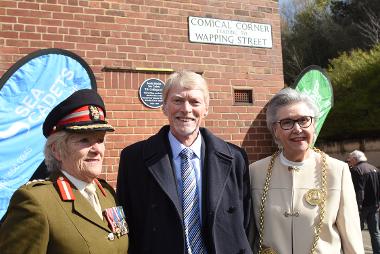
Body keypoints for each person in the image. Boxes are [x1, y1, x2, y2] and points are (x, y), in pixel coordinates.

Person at [117, 70, 252, 254]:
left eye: (195, 102)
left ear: (206, 109)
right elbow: (128, 225)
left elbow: (245, 222)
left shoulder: (235, 158)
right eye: (178, 100)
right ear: (164, 106)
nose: (186, 109)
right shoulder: (133, 159)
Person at [0, 89, 129, 253]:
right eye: (84, 140)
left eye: (100, 140)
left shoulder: (107, 194)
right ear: (57, 150)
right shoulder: (36, 202)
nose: (97, 149)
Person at [249, 87, 364, 254]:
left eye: (304, 120)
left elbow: (351, 236)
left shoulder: (337, 171)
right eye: (287, 122)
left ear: (314, 124)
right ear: (275, 130)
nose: (297, 129)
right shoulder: (255, 172)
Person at [347, 150, 380, 254]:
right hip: (374, 205)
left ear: (355, 159)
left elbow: (359, 190)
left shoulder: (356, 170)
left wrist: (358, 206)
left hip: (362, 207)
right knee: (375, 232)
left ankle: (357, 251)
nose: (349, 161)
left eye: (350, 159)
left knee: (356, 231)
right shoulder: (374, 168)